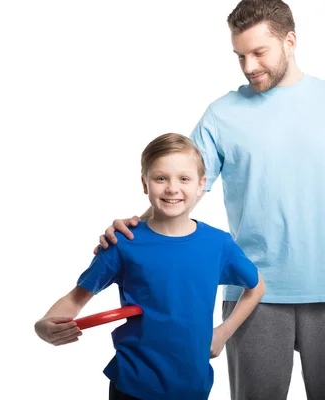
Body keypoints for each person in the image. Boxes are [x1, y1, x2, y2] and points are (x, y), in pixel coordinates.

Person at [95, 1, 325, 399]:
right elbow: (181, 190)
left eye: (259, 52)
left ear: (290, 41)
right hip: (253, 297)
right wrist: (135, 232)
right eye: (240, 56)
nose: (249, 66)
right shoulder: (222, 114)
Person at [34, 133, 265, 400]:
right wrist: (43, 325)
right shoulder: (124, 243)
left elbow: (256, 286)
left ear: (201, 185)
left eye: (184, 179)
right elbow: (76, 298)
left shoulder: (218, 244)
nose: (172, 188)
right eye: (160, 178)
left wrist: (223, 333)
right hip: (132, 385)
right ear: (145, 184)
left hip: (193, 386)